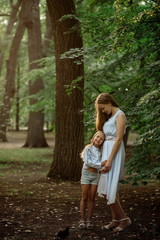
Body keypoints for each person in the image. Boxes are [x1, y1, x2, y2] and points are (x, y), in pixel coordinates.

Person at [95, 93, 131, 232]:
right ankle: (115, 219)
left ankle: (124, 219)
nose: (103, 111)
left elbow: (119, 139)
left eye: (103, 108)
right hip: (107, 151)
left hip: (114, 153)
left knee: (110, 188)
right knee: (106, 188)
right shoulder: (109, 117)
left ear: (109, 102)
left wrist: (109, 160)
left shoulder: (120, 115)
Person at [79, 131, 106, 230]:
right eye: (97, 137)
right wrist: (100, 164)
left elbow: (98, 164)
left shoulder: (102, 151)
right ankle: (82, 220)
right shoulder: (88, 148)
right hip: (86, 174)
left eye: (101, 139)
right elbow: (88, 162)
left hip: (96, 176)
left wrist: (100, 165)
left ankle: (89, 220)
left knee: (92, 198)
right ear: (94, 137)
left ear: (103, 141)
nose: (98, 139)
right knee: (84, 197)